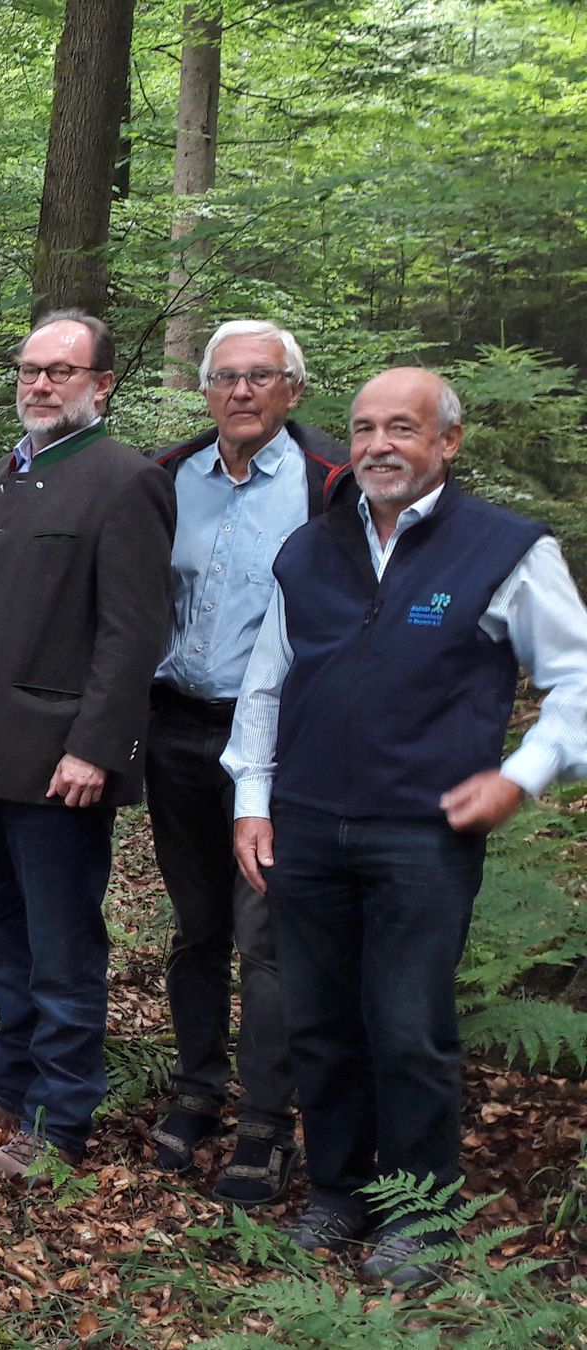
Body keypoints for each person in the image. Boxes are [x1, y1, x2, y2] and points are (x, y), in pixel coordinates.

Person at [225, 367, 587, 1284]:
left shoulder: (503, 549)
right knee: (318, 1021)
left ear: (446, 442)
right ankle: (339, 1192)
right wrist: (252, 799)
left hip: (422, 834)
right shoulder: (311, 550)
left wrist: (521, 778)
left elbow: (576, 679)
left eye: (402, 427)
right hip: (306, 825)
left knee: (408, 1026)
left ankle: (422, 1214)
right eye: (364, 428)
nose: (379, 445)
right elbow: (268, 680)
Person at [0, 310, 176, 1180]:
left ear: (103, 385)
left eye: (62, 371)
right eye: (30, 369)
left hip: (59, 760)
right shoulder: (8, 471)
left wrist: (96, 746)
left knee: (61, 947)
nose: (42, 384)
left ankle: (59, 1123)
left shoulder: (125, 480)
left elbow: (133, 632)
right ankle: (8, 1086)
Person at [139, 320, 351, 1203]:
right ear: (205, 389)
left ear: (292, 389)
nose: (241, 391)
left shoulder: (329, 484)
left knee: (266, 936)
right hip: (177, 730)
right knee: (197, 927)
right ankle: (197, 1088)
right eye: (225, 376)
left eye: (261, 376)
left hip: (281, 744)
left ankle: (267, 1119)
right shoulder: (167, 476)